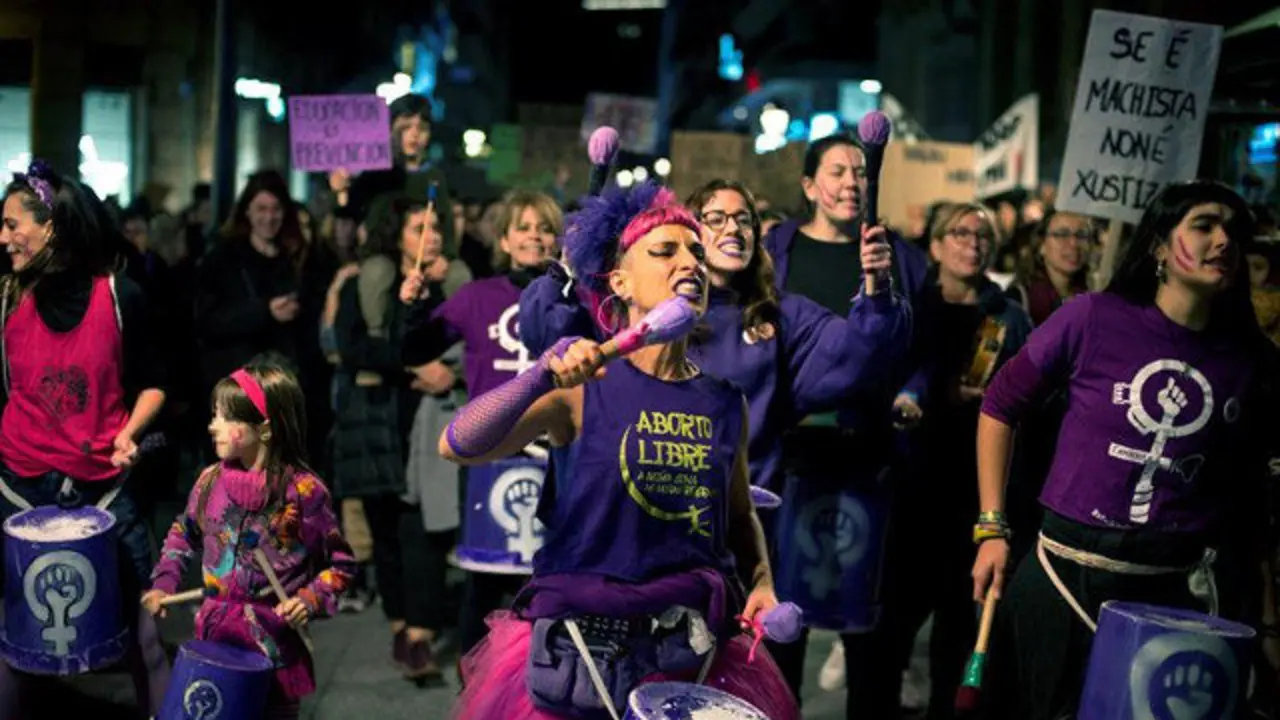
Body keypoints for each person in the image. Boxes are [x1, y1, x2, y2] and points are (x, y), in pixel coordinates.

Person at [434, 183, 798, 720]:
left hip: (689, 652)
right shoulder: (583, 385)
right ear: (620, 284)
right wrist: (538, 377)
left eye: (696, 251)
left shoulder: (726, 402)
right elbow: (456, 444)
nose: (690, 261)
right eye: (665, 251)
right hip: (581, 652)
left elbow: (739, 512)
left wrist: (763, 583)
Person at [971, 181, 1280, 719]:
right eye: (1204, 225)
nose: (1225, 241)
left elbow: (1250, 500)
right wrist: (992, 528)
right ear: (1160, 246)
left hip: (1174, 597)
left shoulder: (1250, 359)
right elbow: (999, 406)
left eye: (1235, 230)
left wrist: (1265, 620)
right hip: (1065, 580)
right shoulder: (1090, 318)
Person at [0, 160, 170, 716]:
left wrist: (130, 433)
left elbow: (156, 383)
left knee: (146, 636)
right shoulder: (7, 296)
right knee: (13, 644)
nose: (3, 237)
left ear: (53, 226)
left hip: (104, 489)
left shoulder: (121, 296)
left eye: (12, 224)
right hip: (19, 489)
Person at [873, 203, 1033, 719]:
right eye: (959, 232)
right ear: (936, 246)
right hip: (909, 490)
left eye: (982, 235)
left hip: (973, 494)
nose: (973, 242)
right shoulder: (907, 309)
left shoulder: (1008, 316)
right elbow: (876, 381)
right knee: (891, 629)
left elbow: (1030, 404)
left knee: (957, 632)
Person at [399, 190, 564, 659]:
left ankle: (537, 684)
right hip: (491, 454)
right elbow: (414, 350)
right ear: (505, 240)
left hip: (555, 453)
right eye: (524, 227)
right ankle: (477, 687)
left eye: (544, 227)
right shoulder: (476, 296)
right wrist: (413, 305)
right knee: (484, 579)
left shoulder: (574, 300)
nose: (535, 236)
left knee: (546, 581)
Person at [144, 361, 355, 720]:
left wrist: (309, 598)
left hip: (272, 653)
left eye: (225, 417)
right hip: (215, 645)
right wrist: (165, 581)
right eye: (214, 415)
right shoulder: (209, 481)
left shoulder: (304, 492)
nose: (213, 426)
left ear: (265, 428)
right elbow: (183, 534)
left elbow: (340, 566)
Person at [1007, 209, 1096, 326]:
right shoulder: (1015, 297)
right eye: (1062, 234)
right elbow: (987, 342)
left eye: (1081, 235)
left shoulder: (1093, 299)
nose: (1073, 243)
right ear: (1041, 245)